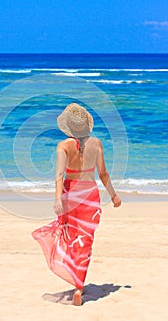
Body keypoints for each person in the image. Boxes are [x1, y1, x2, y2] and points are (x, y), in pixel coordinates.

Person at [31, 103, 121, 306]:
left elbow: (59, 176)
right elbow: (103, 174)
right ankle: (79, 286)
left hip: (71, 196)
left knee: (70, 238)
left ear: (69, 127)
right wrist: (114, 196)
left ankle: (75, 280)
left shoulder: (63, 146)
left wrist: (57, 199)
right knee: (85, 242)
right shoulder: (97, 144)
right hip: (89, 196)